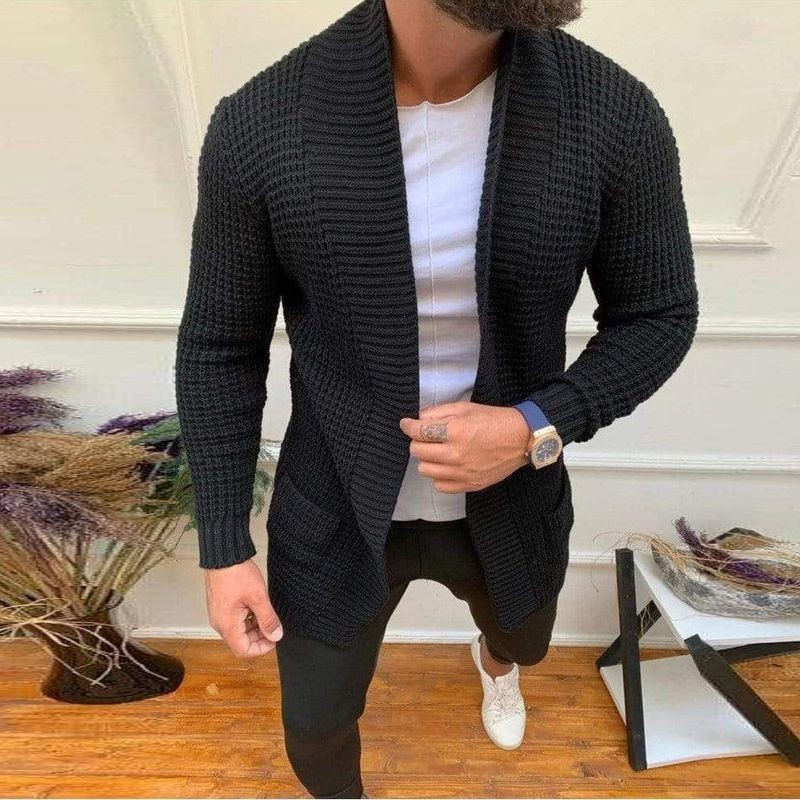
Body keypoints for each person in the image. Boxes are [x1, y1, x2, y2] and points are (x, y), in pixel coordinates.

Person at [174, 0, 699, 796]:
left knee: (521, 640)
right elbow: (220, 345)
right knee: (314, 721)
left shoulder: (611, 112)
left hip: (515, 498)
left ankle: (496, 665)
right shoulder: (263, 123)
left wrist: (534, 426)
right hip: (333, 510)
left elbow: (658, 313)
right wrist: (223, 543)